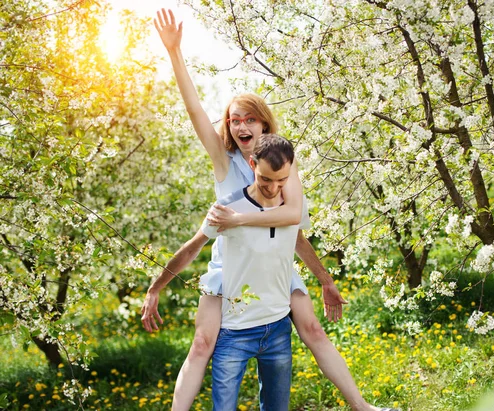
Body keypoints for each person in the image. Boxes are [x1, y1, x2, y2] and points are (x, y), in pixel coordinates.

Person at [141, 8, 380, 411]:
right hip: (231, 267)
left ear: (264, 125)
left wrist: (323, 277)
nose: (242, 125)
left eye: (250, 118)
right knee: (202, 343)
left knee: (314, 330)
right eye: (235, 120)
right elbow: (195, 109)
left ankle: (362, 406)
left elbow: (291, 223)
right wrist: (175, 53)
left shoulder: (285, 163)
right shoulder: (224, 159)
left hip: (273, 267)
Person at [203, 134, 306, 410]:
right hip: (234, 331)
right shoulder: (229, 207)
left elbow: (298, 235)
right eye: (266, 180)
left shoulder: (291, 207)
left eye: (282, 180)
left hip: (277, 328)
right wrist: (156, 287)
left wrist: (327, 281)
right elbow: (194, 246)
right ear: (252, 165)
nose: (274, 188)